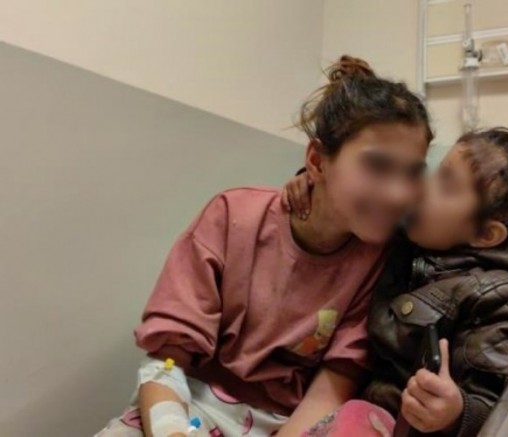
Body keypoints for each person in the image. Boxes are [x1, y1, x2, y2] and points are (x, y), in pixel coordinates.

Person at [95, 55, 433, 437]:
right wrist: (171, 428)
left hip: (287, 423)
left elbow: (333, 385)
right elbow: (167, 359)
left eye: (412, 173)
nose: (399, 193)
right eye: (377, 166)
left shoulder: (381, 259)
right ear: (316, 161)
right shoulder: (233, 216)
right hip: (190, 401)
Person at [284, 128, 508, 436]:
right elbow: (366, 206)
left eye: (446, 186)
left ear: (485, 234)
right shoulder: (420, 242)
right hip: (365, 407)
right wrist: (316, 185)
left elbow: (504, 416)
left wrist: (457, 413)